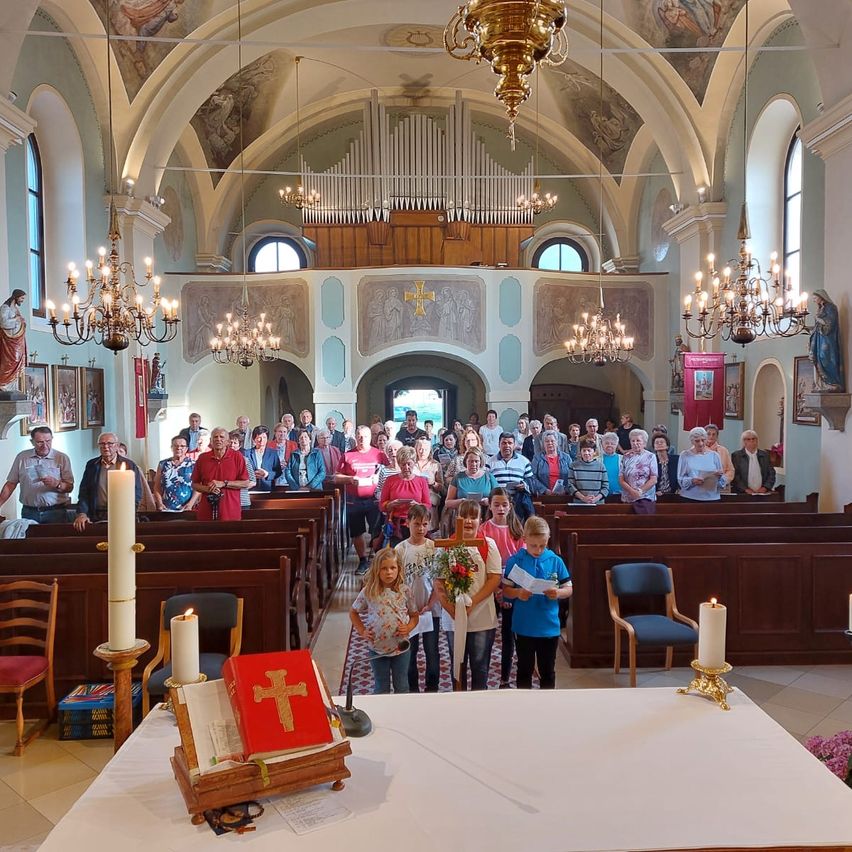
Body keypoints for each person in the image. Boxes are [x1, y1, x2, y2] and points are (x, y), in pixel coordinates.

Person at [436, 499, 502, 691]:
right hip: (453, 616)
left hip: (481, 613)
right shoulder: (446, 545)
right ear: (457, 518)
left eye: (473, 517)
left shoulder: (487, 544)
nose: (468, 521)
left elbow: (494, 577)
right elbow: (438, 581)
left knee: (480, 666)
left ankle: (478, 707)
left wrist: (472, 603)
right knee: (458, 665)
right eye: (464, 516)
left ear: (480, 520)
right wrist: (451, 609)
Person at [502, 516, 572, 690]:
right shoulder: (515, 561)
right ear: (524, 540)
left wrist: (557, 593)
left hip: (548, 626)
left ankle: (547, 707)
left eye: (542, 545)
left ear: (548, 540)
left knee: (547, 670)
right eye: (533, 546)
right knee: (524, 668)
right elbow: (506, 591)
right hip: (523, 625)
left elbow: (569, 589)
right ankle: (524, 706)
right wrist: (518, 593)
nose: (538, 550)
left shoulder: (555, 560)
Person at [350, 547, 418, 694]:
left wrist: (409, 627)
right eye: (384, 569)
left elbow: (414, 615)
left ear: (398, 569)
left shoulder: (405, 590)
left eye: (392, 568)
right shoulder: (369, 591)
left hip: (401, 647)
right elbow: (353, 612)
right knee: (381, 686)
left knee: (402, 685)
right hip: (377, 648)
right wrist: (362, 631)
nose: (389, 572)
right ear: (377, 570)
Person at [481, 488, 524, 689]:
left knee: (508, 636)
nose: (500, 508)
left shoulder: (517, 530)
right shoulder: (483, 530)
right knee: (487, 635)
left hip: (511, 588)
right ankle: (483, 677)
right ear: (489, 505)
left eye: (504, 504)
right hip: (489, 588)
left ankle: (505, 678)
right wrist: (496, 589)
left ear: (510, 506)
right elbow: (480, 563)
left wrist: (506, 589)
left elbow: (521, 562)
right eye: (496, 504)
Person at [395, 504, 440, 693]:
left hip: (431, 609)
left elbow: (439, 579)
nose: (421, 529)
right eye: (416, 524)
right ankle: (412, 688)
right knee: (410, 652)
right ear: (408, 524)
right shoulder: (400, 549)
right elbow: (397, 582)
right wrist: (408, 607)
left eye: (424, 524)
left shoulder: (434, 548)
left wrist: (430, 604)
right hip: (409, 611)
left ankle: (432, 687)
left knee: (432, 651)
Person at [336, 425, 389, 575]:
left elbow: (388, 472)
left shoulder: (379, 454)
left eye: (365, 436)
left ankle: (377, 558)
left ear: (370, 438)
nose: (361, 439)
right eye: (359, 436)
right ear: (355, 437)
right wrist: (351, 479)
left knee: (377, 530)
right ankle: (363, 561)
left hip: (374, 499)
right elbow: (336, 477)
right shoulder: (347, 455)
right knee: (357, 532)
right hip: (354, 500)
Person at [0, 426, 74, 523]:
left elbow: (70, 487)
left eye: (48, 441)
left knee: (55, 538)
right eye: (40, 442)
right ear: (32, 442)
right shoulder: (22, 457)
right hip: (29, 512)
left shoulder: (62, 458)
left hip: (55, 512)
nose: (45, 446)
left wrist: (57, 484)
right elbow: (11, 484)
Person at [74, 432, 144, 530]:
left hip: (121, 515)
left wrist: (128, 512)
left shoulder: (129, 465)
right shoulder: (92, 465)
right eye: (102, 444)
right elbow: (84, 493)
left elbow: (136, 493)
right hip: (96, 515)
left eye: (110, 444)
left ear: (117, 446)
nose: (106, 447)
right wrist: (82, 514)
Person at [191, 427, 250, 521]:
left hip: (230, 511)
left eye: (222, 437)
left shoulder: (237, 457)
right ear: (211, 441)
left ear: (227, 442)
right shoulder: (203, 458)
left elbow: (246, 483)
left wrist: (224, 483)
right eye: (215, 437)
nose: (218, 439)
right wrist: (207, 489)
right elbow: (194, 484)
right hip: (207, 510)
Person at [380, 446, 430, 540]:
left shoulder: (421, 481)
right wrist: (391, 504)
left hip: (417, 523)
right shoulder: (390, 480)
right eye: (403, 464)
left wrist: (418, 506)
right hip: (396, 525)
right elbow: (381, 505)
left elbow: (427, 505)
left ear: (414, 463)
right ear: (399, 464)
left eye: (409, 464)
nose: (406, 467)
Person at [486, 432, 536, 521]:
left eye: (510, 443)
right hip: (498, 502)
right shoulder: (489, 462)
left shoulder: (524, 461)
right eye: (504, 443)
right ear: (499, 444)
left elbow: (531, 480)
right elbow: (486, 483)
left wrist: (524, 485)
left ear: (514, 445)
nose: (507, 446)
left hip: (518, 501)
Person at [809, 289, 846, 392]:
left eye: (815, 298)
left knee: (826, 357)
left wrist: (819, 320)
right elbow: (817, 326)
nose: (814, 300)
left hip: (828, 339)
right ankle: (823, 384)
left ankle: (833, 382)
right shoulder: (820, 309)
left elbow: (831, 323)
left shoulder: (831, 308)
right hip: (819, 339)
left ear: (821, 296)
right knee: (818, 357)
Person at [677, 426, 727, 501]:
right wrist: (692, 481)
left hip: (712, 497)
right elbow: (680, 479)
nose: (701, 443)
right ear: (692, 441)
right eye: (697, 441)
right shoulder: (685, 455)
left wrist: (719, 476)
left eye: (703, 440)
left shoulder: (714, 455)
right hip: (690, 497)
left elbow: (722, 480)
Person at [153, 435, 199, 512]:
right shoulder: (163, 464)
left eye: (182, 446)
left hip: (187, 508)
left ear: (187, 448)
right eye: (176, 446)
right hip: (166, 508)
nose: (179, 448)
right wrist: (160, 504)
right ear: (171, 448)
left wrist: (190, 504)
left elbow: (198, 487)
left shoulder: (193, 464)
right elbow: (157, 487)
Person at [618, 428, 658, 514]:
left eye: (638, 441)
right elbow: (621, 479)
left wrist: (640, 491)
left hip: (645, 497)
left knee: (644, 524)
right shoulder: (625, 456)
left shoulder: (650, 456)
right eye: (633, 441)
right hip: (628, 497)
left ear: (644, 442)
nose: (635, 443)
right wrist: (631, 491)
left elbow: (653, 479)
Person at [731, 430, 776, 495]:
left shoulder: (765, 455)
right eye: (748, 439)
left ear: (757, 441)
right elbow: (735, 475)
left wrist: (765, 488)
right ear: (744, 441)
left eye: (753, 439)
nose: (751, 441)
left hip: (762, 493)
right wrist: (745, 489)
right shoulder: (737, 456)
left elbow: (771, 474)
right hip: (743, 494)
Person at [565, 438, 609, 505]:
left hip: (598, 503)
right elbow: (570, 485)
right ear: (580, 451)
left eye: (589, 450)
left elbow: (606, 487)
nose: (586, 453)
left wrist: (595, 499)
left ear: (594, 452)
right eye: (584, 450)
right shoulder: (573, 465)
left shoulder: (601, 466)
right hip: (579, 503)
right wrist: (583, 498)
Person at [413, 436, 443, 529]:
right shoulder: (411, 464)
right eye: (420, 449)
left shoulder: (435, 465)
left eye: (425, 449)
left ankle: (430, 528)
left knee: (429, 500)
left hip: (431, 492)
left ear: (430, 450)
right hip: (414, 492)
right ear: (416, 449)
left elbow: (441, 487)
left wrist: (433, 483)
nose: (422, 452)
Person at [530, 430, 572, 495]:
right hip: (543, 495)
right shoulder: (537, 458)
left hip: (564, 495)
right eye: (547, 441)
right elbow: (533, 477)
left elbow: (572, 476)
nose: (550, 443)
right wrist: (544, 490)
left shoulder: (566, 457)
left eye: (552, 441)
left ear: (557, 442)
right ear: (543, 443)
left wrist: (565, 489)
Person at [242, 425, 282, 492]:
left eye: (264, 437)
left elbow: (278, 472)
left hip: (268, 488)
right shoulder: (246, 453)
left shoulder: (273, 453)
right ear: (254, 439)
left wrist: (267, 474)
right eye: (259, 437)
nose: (262, 440)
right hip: (250, 488)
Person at [0, 289, 26, 391]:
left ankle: (12, 387)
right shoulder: (5, 308)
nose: (22, 300)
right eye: (22, 298)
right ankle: (3, 383)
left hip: (17, 340)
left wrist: (22, 322)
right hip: (8, 340)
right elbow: (3, 323)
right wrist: (17, 320)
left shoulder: (15, 309)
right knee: (10, 361)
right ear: (16, 297)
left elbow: (19, 320)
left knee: (17, 360)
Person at [228, 430, 256, 509]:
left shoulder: (245, 460)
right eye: (230, 442)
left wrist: (238, 486)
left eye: (235, 443)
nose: (232, 445)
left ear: (239, 446)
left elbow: (253, 481)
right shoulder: (221, 460)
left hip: (242, 501)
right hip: (227, 500)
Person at [705, 423, 734, 489]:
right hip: (703, 485)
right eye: (708, 434)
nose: (711, 436)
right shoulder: (700, 450)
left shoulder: (724, 450)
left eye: (714, 434)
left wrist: (723, 480)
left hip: (721, 486)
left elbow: (730, 470)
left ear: (717, 436)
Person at [600, 433, 622, 498]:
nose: (609, 445)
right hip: (601, 494)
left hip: (619, 494)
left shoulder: (622, 459)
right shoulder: (598, 459)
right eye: (606, 443)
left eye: (612, 444)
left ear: (616, 445)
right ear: (602, 444)